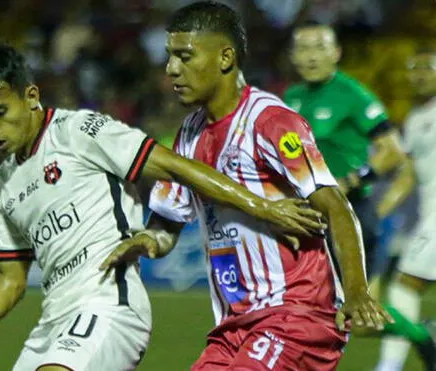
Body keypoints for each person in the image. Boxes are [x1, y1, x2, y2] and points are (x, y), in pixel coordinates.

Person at [0, 44, 324, 371]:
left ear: (31, 96)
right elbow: (7, 283)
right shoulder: (3, 184)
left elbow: (178, 167)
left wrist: (262, 207)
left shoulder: (79, 132)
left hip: (108, 306)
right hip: (53, 322)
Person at [101, 2, 391, 370]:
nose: (172, 69)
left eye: (185, 56)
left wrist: (356, 292)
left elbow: (335, 205)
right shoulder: (189, 135)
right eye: (170, 57)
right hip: (233, 326)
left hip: (295, 315)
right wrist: (144, 241)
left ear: (225, 57)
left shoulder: (270, 121)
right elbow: (167, 226)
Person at [285, 21, 436, 369]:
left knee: (346, 306)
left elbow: (392, 152)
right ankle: (420, 335)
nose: (311, 57)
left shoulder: (352, 94)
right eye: (303, 49)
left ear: (336, 53)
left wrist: (350, 182)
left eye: (319, 48)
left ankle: (420, 336)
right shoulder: (291, 97)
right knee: (324, 306)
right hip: (311, 212)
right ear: (292, 56)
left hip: (349, 212)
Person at [373, 48, 436, 371]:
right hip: (428, 217)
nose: (421, 75)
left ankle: (390, 366)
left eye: (428, 67)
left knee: (404, 285)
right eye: (416, 69)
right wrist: (379, 209)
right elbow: (408, 175)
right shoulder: (415, 118)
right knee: (405, 285)